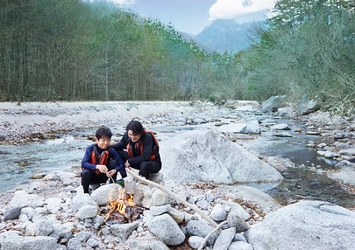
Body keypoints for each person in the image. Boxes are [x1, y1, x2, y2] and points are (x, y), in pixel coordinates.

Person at [81, 126, 127, 194]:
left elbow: (121, 164)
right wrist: (97, 166)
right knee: (85, 172)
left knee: (113, 162)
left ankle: (112, 187)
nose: (106, 143)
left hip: (103, 177)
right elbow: (84, 163)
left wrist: (115, 170)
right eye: (103, 140)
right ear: (97, 140)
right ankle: (86, 193)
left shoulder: (110, 150)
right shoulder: (90, 149)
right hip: (91, 177)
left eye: (108, 140)